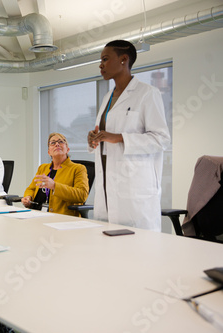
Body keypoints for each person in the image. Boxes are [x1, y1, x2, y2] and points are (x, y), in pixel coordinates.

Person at [87, 40, 170, 231]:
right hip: (108, 189)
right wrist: (94, 139)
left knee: (139, 253)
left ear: (124, 59)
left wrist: (120, 137)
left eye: (105, 59)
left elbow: (162, 139)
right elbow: (106, 137)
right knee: (109, 251)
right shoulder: (107, 98)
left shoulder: (148, 94)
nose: (101, 65)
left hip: (135, 191)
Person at [21, 133, 89, 215]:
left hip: (60, 217)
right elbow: (31, 189)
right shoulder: (43, 168)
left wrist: (54, 186)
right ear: (49, 152)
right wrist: (28, 198)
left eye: (61, 142)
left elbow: (82, 195)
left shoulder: (78, 169)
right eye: (53, 143)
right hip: (36, 214)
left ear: (67, 149)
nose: (57, 144)